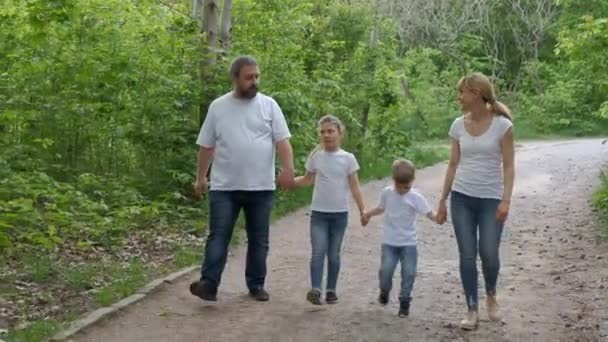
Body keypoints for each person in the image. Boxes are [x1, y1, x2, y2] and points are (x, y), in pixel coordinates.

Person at [189, 55, 295, 302]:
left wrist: (288, 170)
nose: (254, 81)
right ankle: (209, 284)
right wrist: (200, 178)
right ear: (235, 78)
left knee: (259, 239)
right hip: (224, 187)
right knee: (219, 235)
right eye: (249, 77)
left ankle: (256, 285)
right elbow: (206, 146)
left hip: (261, 187)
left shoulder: (269, 105)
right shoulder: (218, 107)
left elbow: (283, 142)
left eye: (256, 76)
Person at [436, 72, 515, 329]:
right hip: (461, 198)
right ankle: (472, 309)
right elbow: (452, 164)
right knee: (467, 255)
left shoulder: (503, 126)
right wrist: (442, 200)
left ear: (477, 94)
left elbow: (509, 166)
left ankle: (491, 294)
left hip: (491, 198)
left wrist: (506, 200)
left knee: (489, 253)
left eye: (462, 92)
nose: (459, 97)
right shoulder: (458, 125)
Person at [293, 115, 366, 305]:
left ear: (339, 133)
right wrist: (289, 182)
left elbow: (355, 186)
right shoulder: (316, 157)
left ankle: (331, 290)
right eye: (323, 132)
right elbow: (307, 179)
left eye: (331, 131)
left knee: (333, 253)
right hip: (319, 214)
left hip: (339, 215)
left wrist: (363, 210)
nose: (326, 135)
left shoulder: (348, 158)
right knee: (318, 251)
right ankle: (316, 289)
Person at [361, 159, 438, 317]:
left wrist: (439, 217)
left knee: (409, 273)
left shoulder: (415, 197)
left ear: (412, 181)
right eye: (399, 186)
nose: (403, 190)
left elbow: (429, 213)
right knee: (386, 270)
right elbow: (381, 208)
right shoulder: (387, 193)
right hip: (390, 242)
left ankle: (404, 302)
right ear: (393, 180)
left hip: (409, 243)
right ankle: (384, 289)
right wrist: (368, 213)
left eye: (407, 186)